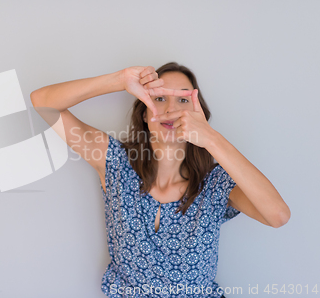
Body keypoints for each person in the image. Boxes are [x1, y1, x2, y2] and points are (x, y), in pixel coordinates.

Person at [30, 62, 290, 298]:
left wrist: (211, 138)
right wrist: (119, 80)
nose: (171, 109)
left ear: (199, 114)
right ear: (144, 113)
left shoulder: (216, 183)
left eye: (183, 100)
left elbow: (278, 215)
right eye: (160, 97)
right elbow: (42, 101)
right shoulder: (115, 162)